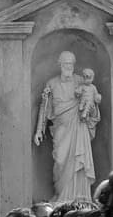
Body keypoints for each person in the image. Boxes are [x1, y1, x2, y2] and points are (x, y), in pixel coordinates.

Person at [34, 51, 97, 202]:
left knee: (79, 161)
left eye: (71, 64)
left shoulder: (82, 81)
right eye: (65, 64)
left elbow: (92, 103)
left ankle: (80, 198)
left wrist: (90, 108)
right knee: (60, 160)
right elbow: (45, 107)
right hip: (61, 128)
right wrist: (38, 131)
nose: (68, 66)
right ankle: (61, 196)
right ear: (60, 64)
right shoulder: (52, 83)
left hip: (79, 126)